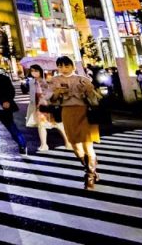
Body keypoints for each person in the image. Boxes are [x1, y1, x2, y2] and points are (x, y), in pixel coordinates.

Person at [50, 56, 102, 189]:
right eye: (60, 66)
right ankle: (90, 167)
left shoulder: (83, 79)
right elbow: (52, 101)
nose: (64, 69)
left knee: (87, 146)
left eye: (67, 66)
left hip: (84, 112)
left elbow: (95, 100)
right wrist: (57, 93)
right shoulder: (55, 80)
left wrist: (88, 90)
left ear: (73, 66)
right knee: (76, 147)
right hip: (67, 112)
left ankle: (90, 175)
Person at [24, 64, 71, 152]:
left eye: (36, 71)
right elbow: (32, 96)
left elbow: (50, 93)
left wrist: (43, 96)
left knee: (57, 124)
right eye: (32, 71)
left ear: (40, 71)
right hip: (39, 106)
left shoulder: (45, 81)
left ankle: (67, 142)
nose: (34, 73)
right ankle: (44, 145)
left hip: (47, 106)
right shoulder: (32, 82)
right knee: (42, 125)